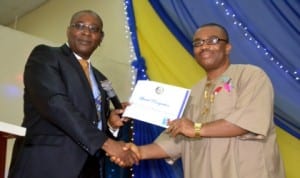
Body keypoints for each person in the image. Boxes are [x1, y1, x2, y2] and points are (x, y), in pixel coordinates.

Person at [115, 23, 286, 178]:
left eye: (212, 40)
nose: (204, 46)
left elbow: (247, 121)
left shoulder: (250, 76)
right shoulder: (192, 93)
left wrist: (196, 128)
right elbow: (177, 139)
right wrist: (139, 152)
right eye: (197, 43)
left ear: (227, 47)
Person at [8, 10, 138, 178]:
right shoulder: (46, 56)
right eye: (80, 26)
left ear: (101, 38)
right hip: (45, 164)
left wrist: (110, 124)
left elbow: (93, 122)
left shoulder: (101, 78)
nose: (86, 32)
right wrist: (107, 143)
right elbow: (56, 104)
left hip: (88, 168)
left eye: (94, 29)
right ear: (69, 30)